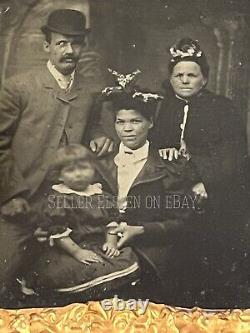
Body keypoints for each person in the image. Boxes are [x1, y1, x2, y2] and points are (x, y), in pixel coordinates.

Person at [0, 9, 114, 299]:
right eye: (62, 43)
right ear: (46, 45)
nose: (70, 50)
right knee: (5, 275)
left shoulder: (90, 92)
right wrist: (11, 195)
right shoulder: (19, 87)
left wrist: (100, 136)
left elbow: (90, 131)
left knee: (74, 285)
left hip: (69, 205)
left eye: (76, 43)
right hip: (22, 201)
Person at [149, 38, 248, 307]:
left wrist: (207, 183)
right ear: (170, 79)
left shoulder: (222, 108)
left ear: (203, 79)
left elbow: (233, 154)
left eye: (191, 75)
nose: (184, 80)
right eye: (178, 75)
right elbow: (152, 146)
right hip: (171, 190)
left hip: (211, 192)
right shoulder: (161, 108)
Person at [95, 73, 201, 304]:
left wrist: (141, 229)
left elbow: (182, 221)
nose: (127, 129)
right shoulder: (100, 162)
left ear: (150, 123)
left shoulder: (169, 166)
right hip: (104, 244)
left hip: (150, 252)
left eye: (135, 121)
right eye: (120, 122)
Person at [17, 144, 138, 301]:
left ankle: (104, 291)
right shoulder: (59, 198)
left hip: (97, 244)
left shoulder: (100, 194)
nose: (79, 174)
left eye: (84, 168)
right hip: (69, 248)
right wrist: (77, 252)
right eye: (71, 170)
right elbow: (58, 232)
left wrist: (111, 243)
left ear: (93, 169)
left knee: (124, 259)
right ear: (59, 175)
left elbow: (111, 223)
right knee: (72, 270)